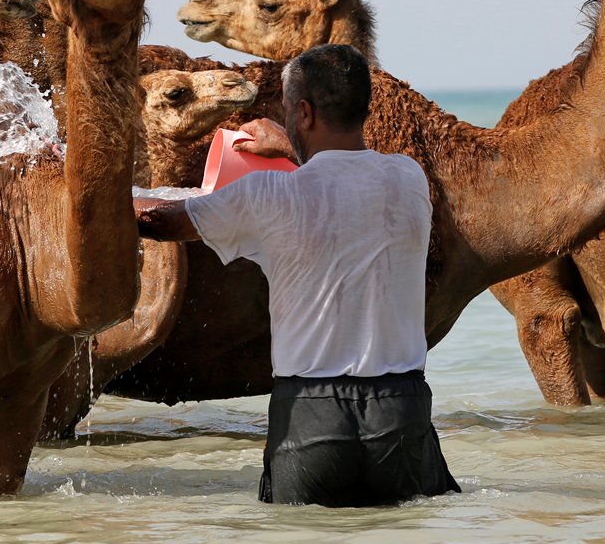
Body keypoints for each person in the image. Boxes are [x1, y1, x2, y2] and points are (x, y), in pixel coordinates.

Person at [135, 43, 461, 507]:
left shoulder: (266, 194)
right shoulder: (407, 180)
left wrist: (77, 191)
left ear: (303, 112)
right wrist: (291, 146)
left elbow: (159, 220)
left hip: (311, 415)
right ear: (363, 107)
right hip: (400, 410)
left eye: (290, 111)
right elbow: (347, 175)